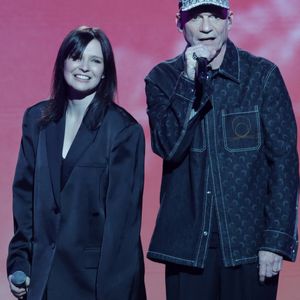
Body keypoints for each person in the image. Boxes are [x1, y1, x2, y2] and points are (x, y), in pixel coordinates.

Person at [145, 0, 299, 299]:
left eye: (214, 17)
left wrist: (275, 241)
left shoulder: (262, 76)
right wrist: (188, 82)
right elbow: (167, 146)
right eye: (196, 18)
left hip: (249, 247)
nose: (205, 27)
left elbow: (284, 162)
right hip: (187, 248)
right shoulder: (163, 78)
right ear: (179, 22)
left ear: (230, 21)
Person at [7, 26, 146, 300]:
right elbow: (25, 199)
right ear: (62, 63)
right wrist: (19, 263)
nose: (84, 67)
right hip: (43, 278)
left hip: (96, 282)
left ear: (105, 70)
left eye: (95, 60)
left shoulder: (123, 131)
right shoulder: (37, 120)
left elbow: (122, 225)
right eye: (76, 57)